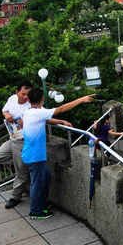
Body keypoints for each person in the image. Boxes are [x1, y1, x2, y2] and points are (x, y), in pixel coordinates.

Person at [21, 89, 95, 219]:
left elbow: (47, 120)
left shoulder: (29, 112)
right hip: (35, 156)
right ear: (41, 100)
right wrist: (81, 100)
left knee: (46, 177)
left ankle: (41, 204)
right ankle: (35, 211)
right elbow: (61, 109)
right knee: (37, 183)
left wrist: (60, 122)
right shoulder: (37, 113)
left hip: (32, 154)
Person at [0, 81, 32, 209]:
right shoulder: (12, 99)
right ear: (17, 92)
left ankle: (15, 197)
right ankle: (21, 169)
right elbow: (5, 110)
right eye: (23, 94)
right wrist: (7, 115)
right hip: (13, 138)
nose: (25, 97)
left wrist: (24, 122)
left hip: (24, 140)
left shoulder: (30, 105)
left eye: (28, 94)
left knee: (21, 171)